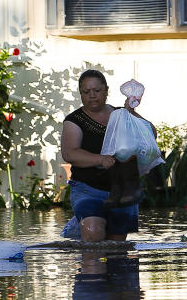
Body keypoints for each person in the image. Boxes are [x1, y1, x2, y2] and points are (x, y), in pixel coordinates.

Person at [60, 69, 149, 242]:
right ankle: (82, 228)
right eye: (86, 92)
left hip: (122, 191)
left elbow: (150, 133)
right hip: (88, 190)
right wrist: (100, 159)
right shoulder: (74, 120)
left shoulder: (121, 115)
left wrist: (131, 112)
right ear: (80, 94)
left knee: (116, 248)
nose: (92, 95)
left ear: (106, 91)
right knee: (93, 231)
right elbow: (69, 153)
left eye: (97, 91)